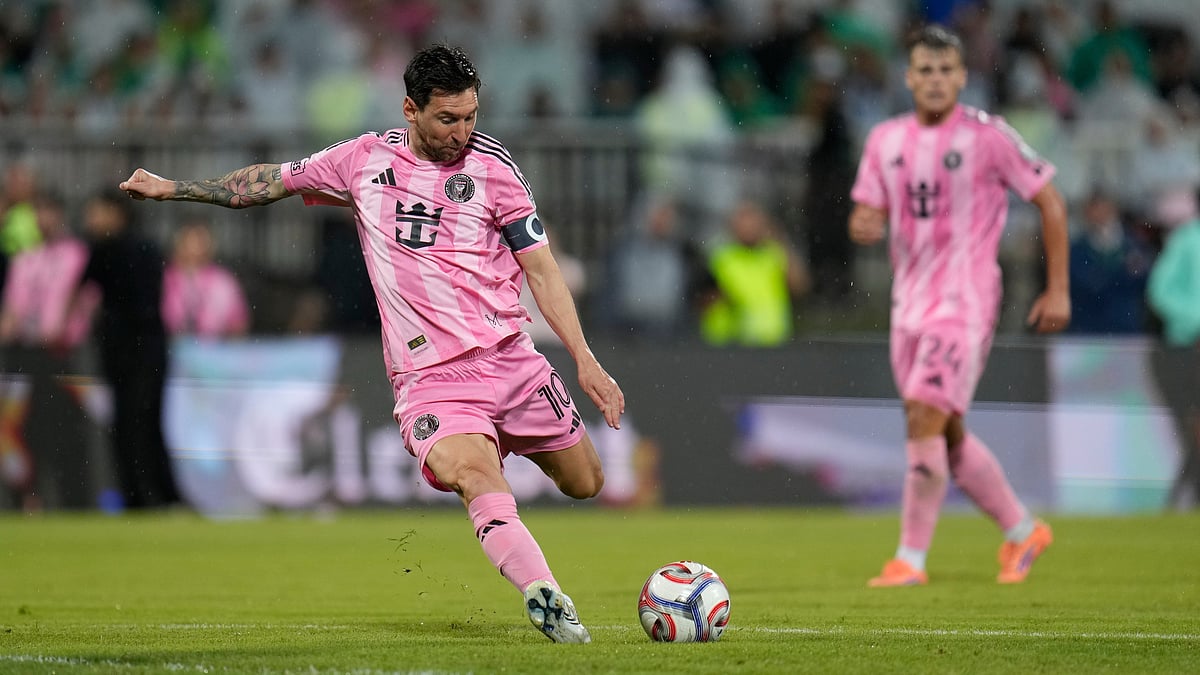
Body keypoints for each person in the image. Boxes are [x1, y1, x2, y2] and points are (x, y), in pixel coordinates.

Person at [118, 44, 623, 643]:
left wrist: (585, 360)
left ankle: (508, 453)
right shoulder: (362, 161)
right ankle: (547, 597)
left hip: (511, 361)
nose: (462, 132)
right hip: (431, 378)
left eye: (471, 117)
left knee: (584, 481)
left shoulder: (496, 172)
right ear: (410, 109)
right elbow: (265, 183)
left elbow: (542, 271)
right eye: (447, 119)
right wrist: (173, 188)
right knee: (475, 476)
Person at [848, 25, 1071, 586]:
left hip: (965, 299)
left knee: (924, 409)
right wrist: (864, 223)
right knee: (943, 432)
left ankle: (910, 560)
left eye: (946, 70)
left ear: (963, 76)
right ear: (909, 77)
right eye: (925, 70)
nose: (935, 80)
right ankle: (1023, 531)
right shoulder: (885, 140)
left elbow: (1050, 201)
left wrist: (1058, 287)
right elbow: (863, 215)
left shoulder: (988, 136)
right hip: (909, 304)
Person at [78, 189, 182, 511]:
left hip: (144, 347)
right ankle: (139, 495)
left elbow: (146, 303)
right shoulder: (101, 251)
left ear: (116, 213)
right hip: (121, 347)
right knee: (128, 421)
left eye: (96, 211)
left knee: (141, 419)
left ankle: (158, 494)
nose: (90, 219)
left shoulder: (141, 248)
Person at [0, 190, 96, 510]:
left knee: (67, 428)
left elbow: (86, 299)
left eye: (49, 212)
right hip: (27, 353)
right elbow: (13, 308)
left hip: (64, 354)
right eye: (38, 213)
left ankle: (74, 498)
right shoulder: (25, 259)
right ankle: (28, 497)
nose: (44, 219)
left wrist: (67, 330)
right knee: (27, 426)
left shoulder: (77, 255)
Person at [1146, 190, 1200, 509]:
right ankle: (1182, 498)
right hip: (1187, 350)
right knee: (1192, 430)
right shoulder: (1186, 240)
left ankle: (1178, 499)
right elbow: (1160, 291)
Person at [161, 219, 250, 339]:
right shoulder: (163, 278)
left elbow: (238, 324)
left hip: (213, 351)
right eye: (190, 240)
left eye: (200, 241)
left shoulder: (223, 280)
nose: (195, 247)